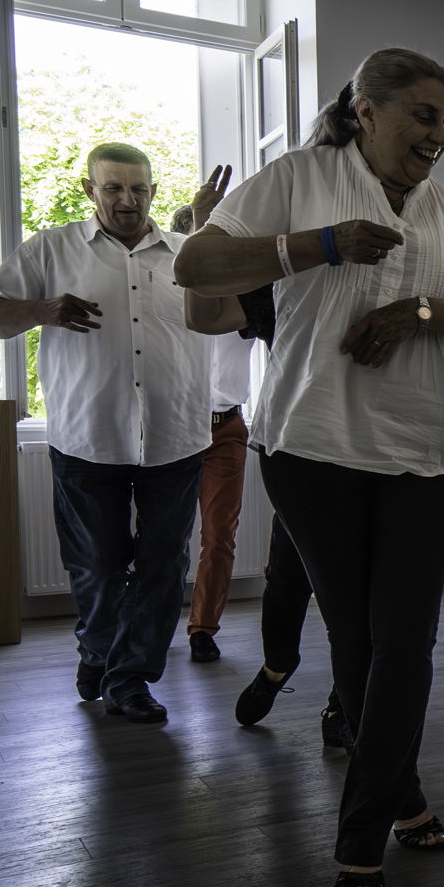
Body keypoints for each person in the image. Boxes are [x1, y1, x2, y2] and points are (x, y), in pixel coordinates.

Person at [174, 46, 444, 887]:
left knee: (404, 643)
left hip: (421, 454)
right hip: (310, 449)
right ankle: (397, 803)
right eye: (423, 115)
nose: (439, 135)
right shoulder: (299, 177)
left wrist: (419, 311)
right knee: (358, 642)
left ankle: (364, 826)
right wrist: (321, 245)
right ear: (367, 111)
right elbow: (195, 270)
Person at [0, 144, 214, 724]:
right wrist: (43, 309)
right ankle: (98, 651)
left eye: (139, 189)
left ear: (153, 189)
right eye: (113, 189)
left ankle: (129, 679)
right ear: (89, 190)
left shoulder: (183, 256)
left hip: (176, 440)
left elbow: (228, 315)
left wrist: (208, 231)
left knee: (162, 567)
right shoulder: (51, 248)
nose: (128, 200)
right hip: (87, 441)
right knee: (97, 566)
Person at [183, 276, 352, 751]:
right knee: (286, 581)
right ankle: (277, 667)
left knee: (353, 592)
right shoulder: (280, 289)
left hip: (374, 450)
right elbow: (204, 315)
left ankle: (343, 701)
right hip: (300, 449)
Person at [168, 171, 254, 664]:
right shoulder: (165, 293)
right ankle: (152, 628)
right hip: (173, 424)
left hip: (227, 427)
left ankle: (203, 629)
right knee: (165, 538)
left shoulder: (245, 292)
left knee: (219, 535)